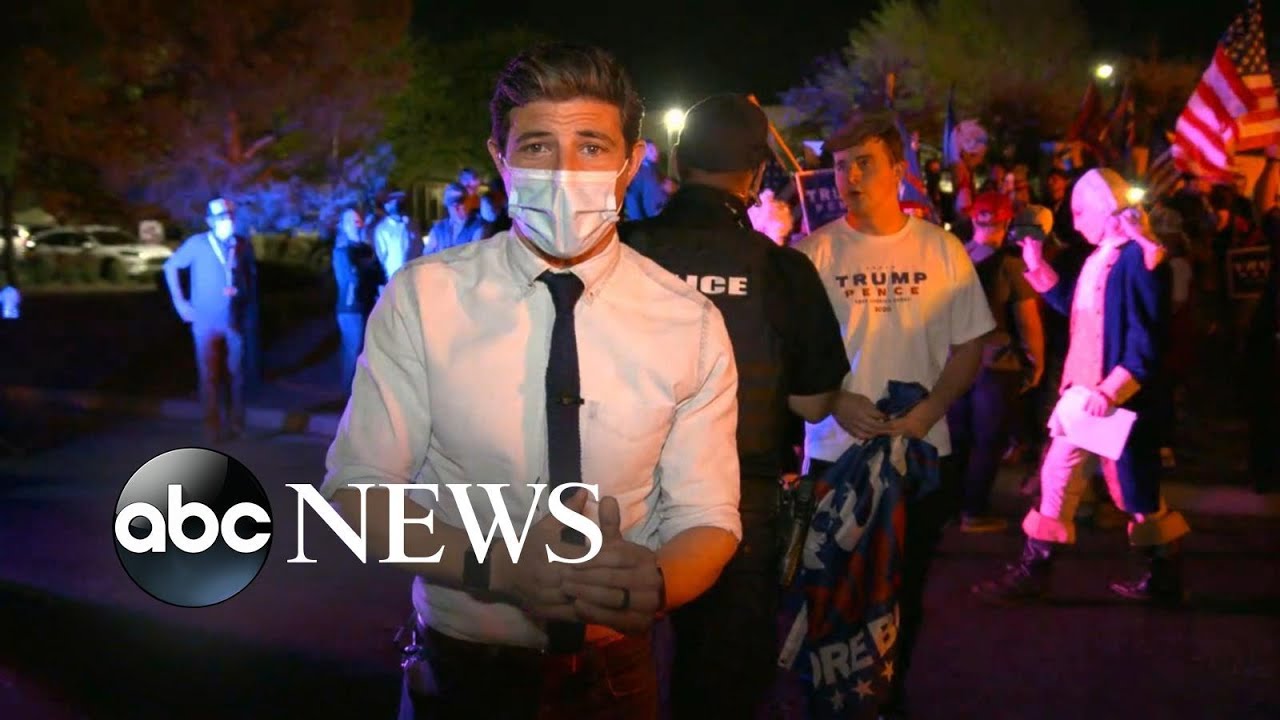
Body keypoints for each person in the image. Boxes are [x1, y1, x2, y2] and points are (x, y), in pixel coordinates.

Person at [318, 43, 743, 719]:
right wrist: (502, 570)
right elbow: (356, 493)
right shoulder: (423, 301)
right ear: (502, 160)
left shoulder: (688, 322)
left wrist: (658, 581)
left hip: (616, 674)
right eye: (539, 146)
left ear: (631, 163)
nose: (565, 171)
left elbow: (708, 516)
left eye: (593, 147)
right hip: (461, 669)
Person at [620, 93, 852, 720]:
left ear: (676, 159)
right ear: (755, 174)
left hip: (617, 493)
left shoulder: (618, 252)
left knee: (606, 674)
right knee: (718, 685)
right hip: (735, 505)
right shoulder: (782, 272)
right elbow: (811, 402)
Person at [794, 112, 995, 717]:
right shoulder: (812, 253)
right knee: (832, 592)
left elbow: (970, 345)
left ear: (897, 172)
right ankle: (832, 702)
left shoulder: (941, 248)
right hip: (834, 456)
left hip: (919, 455)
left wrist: (931, 408)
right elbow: (790, 358)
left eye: (865, 163)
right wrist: (833, 399)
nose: (850, 175)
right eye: (841, 164)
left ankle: (888, 698)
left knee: (902, 592)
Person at [973, 168, 1191, 606]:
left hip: (1109, 400)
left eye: (1079, 211)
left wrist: (1113, 389)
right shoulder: (1107, 255)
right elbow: (1079, 306)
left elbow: (1145, 337)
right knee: (1067, 478)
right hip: (1090, 395)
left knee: (1126, 490)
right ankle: (1040, 570)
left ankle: (1155, 575)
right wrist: (1037, 265)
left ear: (1106, 211)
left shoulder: (1138, 257)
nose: (1073, 222)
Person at [948, 191, 1044, 534]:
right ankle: (974, 511)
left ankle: (951, 506)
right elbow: (1027, 320)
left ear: (974, 220)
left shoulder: (954, 256)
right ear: (1007, 223)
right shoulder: (1011, 263)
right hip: (995, 363)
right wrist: (1036, 363)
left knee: (958, 438)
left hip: (954, 362)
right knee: (987, 440)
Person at [163, 197, 259, 444]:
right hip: (205, 322)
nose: (227, 220)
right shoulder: (198, 244)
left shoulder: (241, 245)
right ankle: (212, 427)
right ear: (210, 221)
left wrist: (240, 294)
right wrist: (180, 303)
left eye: (230, 215)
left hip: (233, 321)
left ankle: (237, 425)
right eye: (221, 216)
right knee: (209, 376)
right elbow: (171, 267)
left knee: (236, 374)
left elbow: (249, 280)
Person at [332, 207, 383, 394]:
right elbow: (352, 278)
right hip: (350, 307)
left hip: (369, 304)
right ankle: (347, 394)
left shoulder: (366, 248)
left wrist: (368, 268)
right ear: (344, 225)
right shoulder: (342, 251)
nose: (358, 224)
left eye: (359, 220)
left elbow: (379, 274)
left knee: (365, 352)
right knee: (352, 351)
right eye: (353, 221)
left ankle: (361, 394)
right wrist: (367, 269)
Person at [424, 183, 485, 255]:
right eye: (451, 205)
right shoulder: (438, 229)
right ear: (447, 206)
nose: (455, 208)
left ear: (467, 202)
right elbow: (427, 255)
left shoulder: (477, 227)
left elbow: (473, 256)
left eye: (460, 203)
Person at [623, 139, 668, 221]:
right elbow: (649, 203)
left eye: (655, 150)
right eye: (651, 150)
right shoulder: (644, 172)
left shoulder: (651, 171)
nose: (655, 153)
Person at [374, 190, 414, 280]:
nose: (399, 205)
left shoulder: (410, 224)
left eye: (401, 202)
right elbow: (381, 257)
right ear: (387, 206)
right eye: (395, 202)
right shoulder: (382, 229)